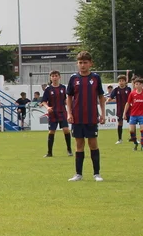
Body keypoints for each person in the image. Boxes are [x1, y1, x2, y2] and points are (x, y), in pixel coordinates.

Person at [66, 51, 107, 182]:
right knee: (79, 145)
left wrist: (103, 114)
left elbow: (101, 97)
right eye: (80, 62)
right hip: (77, 117)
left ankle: (97, 173)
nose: (82, 65)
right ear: (77, 64)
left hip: (91, 117)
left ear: (90, 63)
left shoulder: (95, 78)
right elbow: (69, 97)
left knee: (93, 144)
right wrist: (69, 113)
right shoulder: (73, 78)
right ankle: (78, 174)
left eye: (85, 62)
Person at [40, 71, 73, 158]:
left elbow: (66, 99)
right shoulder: (48, 89)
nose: (54, 77)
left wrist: (70, 107)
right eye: (53, 76)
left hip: (62, 112)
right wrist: (47, 107)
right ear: (50, 78)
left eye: (56, 76)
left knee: (66, 130)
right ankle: (49, 152)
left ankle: (69, 150)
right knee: (51, 131)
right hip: (52, 113)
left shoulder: (63, 88)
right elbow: (44, 101)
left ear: (59, 77)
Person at [122, 78, 143, 151]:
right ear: (134, 85)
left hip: (142, 115)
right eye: (136, 84)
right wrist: (124, 113)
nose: (138, 85)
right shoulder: (132, 94)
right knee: (131, 130)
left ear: (142, 85)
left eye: (140, 84)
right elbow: (127, 103)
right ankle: (135, 143)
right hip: (133, 115)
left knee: (142, 129)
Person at [106, 75, 131, 145]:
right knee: (120, 123)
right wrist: (107, 100)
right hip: (120, 110)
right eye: (120, 81)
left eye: (122, 81)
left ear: (125, 82)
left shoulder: (128, 89)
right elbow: (111, 97)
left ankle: (133, 138)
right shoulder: (116, 90)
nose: (121, 82)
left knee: (131, 123)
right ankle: (120, 139)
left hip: (128, 109)